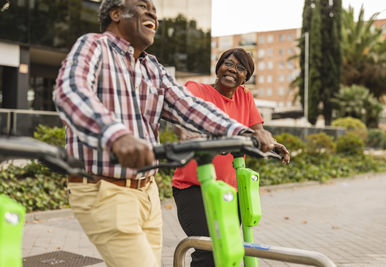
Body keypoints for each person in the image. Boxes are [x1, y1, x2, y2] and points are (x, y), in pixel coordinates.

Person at [53, 0, 290, 266]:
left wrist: (243, 133)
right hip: (104, 187)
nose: (152, 12)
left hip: (146, 191)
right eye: (143, 5)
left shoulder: (151, 67)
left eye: (154, 8)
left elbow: (190, 107)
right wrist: (116, 135)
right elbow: (71, 91)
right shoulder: (94, 46)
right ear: (116, 14)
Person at [172, 48, 289, 267]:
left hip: (229, 191)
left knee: (230, 251)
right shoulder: (196, 89)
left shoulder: (245, 97)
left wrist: (271, 143)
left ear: (246, 77)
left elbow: (258, 130)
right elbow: (181, 116)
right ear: (218, 67)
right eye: (228, 63)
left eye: (240, 68)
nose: (232, 70)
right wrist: (185, 133)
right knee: (210, 251)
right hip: (193, 188)